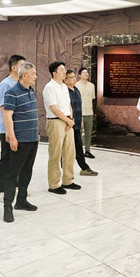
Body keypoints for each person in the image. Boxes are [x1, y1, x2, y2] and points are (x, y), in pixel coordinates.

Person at [1, 62, 39, 222]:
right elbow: (7, 116)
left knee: (27, 171)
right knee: (12, 174)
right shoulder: (11, 92)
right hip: (20, 140)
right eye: (33, 73)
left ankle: (21, 201)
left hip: (33, 139)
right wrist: (12, 136)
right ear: (24, 75)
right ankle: (7, 207)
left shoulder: (31, 91)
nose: (35, 76)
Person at [43, 61, 81, 194]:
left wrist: (70, 120)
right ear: (54, 73)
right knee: (55, 154)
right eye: (61, 70)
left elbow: (68, 105)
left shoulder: (64, 87)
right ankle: (53, 184)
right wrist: (67, 120)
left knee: (69, 153)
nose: (64, 72)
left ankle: (67, 180)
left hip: (67, 121)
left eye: (64, 69)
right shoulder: (49, 87)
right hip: (56, 122)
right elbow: (54, 108)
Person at [0, 54, 25, 201]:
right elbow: (4, 108)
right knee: (6, 159)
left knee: (17, 159)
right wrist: (8, 130)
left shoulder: (21, 83)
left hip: (20, 128)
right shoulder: (5, 84)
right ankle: (1, 189)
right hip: (8, 129)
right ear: (13, 67)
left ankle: (14, 186)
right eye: (22, 65)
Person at [65, 70, 97, 176]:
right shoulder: (64, 92)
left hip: (77, 124)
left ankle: (84, 168)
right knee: (67, 150)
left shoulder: (76, 90)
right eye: (71, 77)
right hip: (68, 124)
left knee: (78, 147)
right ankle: (66, 172)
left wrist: (81, 120)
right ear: (65, 80)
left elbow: (79, 106)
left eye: (74, 77)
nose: (74, 79)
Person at [75, 67, 96, 158]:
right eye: (84, 72)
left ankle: (87, 150)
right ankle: (78, 151)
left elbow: (92, 98)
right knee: (78, 133)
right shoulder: (76, 85)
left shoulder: (92, 86)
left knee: (88, 133)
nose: (86, 74)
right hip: (80, 113)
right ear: (79, 75)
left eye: (87, 72)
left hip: (89, 112)